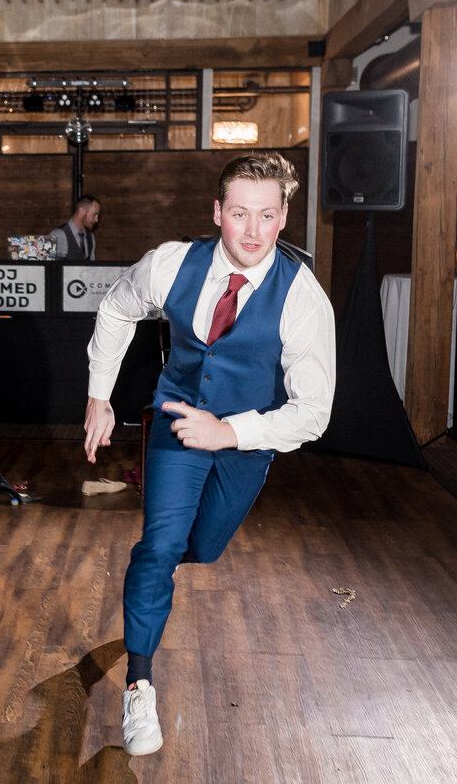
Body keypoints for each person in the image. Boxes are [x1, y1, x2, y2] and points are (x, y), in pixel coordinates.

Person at [82, 152, 336, 756]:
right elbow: (117, 308)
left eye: (267, 216)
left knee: (204, 547)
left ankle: (165, 575)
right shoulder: (171, 264)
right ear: (218, 211)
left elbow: (314, 411)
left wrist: (231, 432)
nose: (252, 231)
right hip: (176, 419)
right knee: (159, 545)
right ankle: (140, 683)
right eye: (240, 213)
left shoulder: (302, 298)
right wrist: (100, 397)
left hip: (248, 439)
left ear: (282, 220)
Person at [49, 194, 102, 261]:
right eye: (94, 214)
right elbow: (49, 268)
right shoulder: (58, 235)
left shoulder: (90, 237)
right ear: (81, 211)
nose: (96, 220)